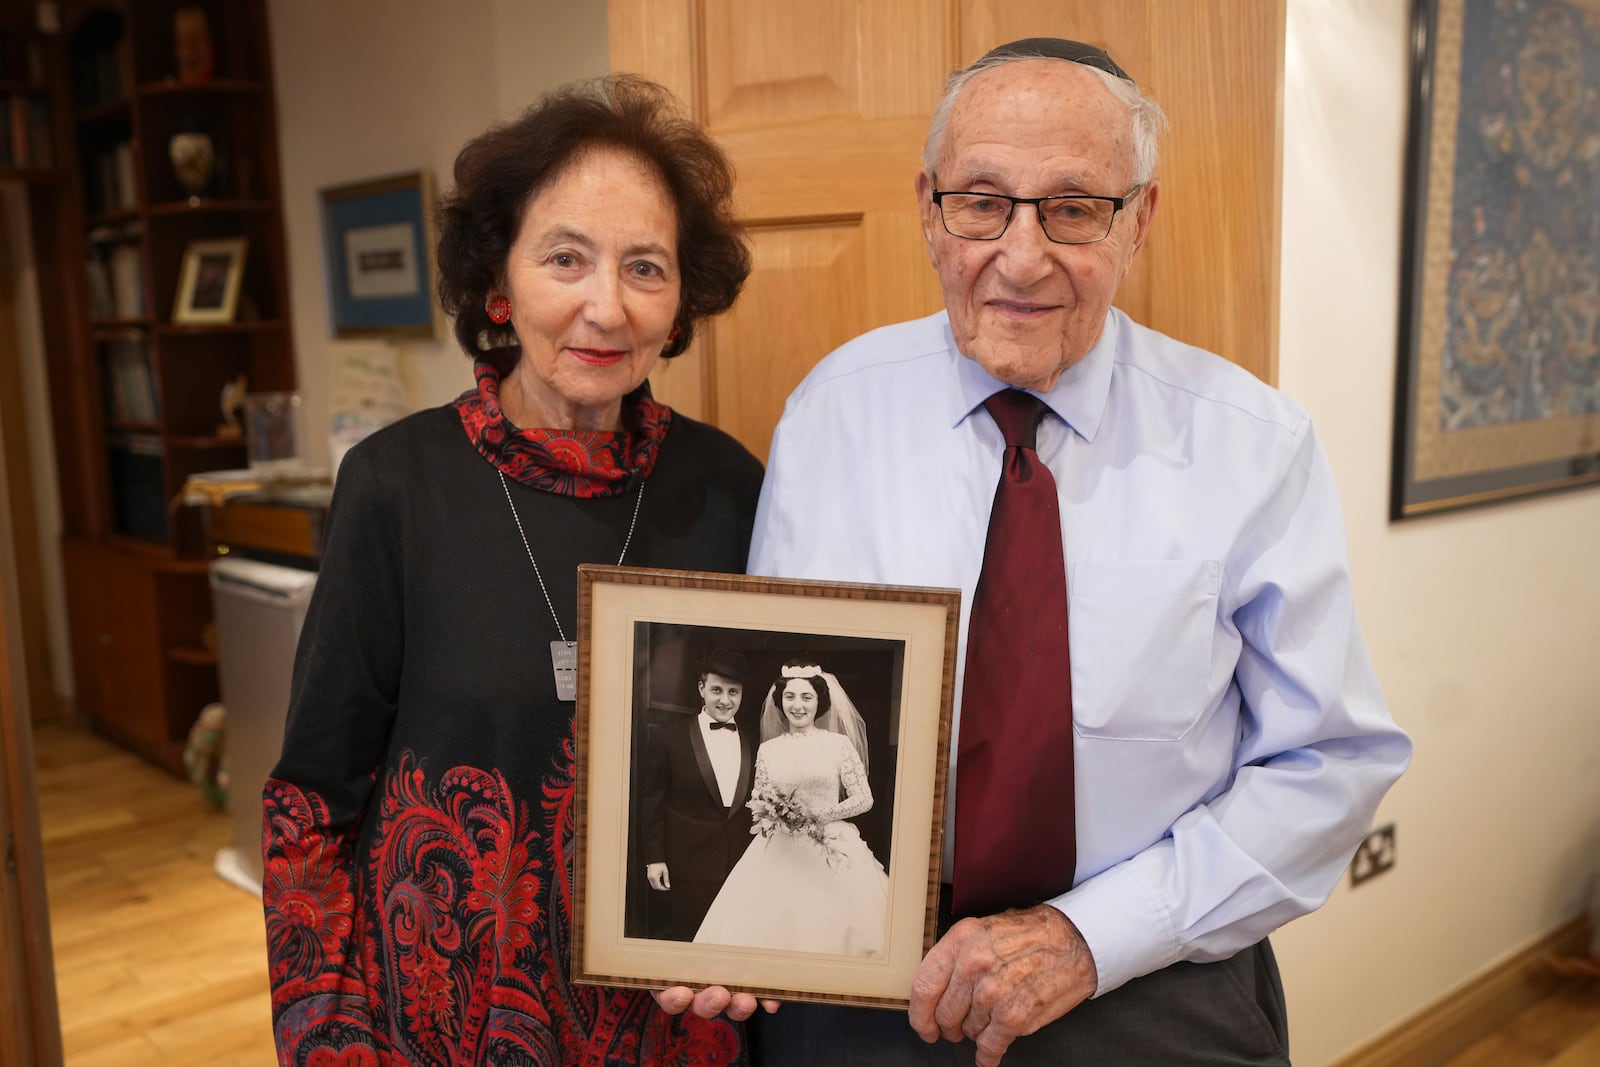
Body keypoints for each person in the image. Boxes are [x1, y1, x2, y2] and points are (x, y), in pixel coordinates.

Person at [746, 38, 1413, 1066]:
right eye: (982, 201)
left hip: (1149, 969)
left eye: (1072, 207)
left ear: (1137, 218)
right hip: (866, 974)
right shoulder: (829, 414)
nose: (1020, 256)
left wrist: (1089, 936)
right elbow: (765, 680)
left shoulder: (1250, 442)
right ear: (930, 210)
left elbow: (1329, 758)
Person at [260, 76, 769, 1065]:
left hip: (676, 1029)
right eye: (565, 258)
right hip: (443, 1031)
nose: (604, 305)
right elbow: (310, 804)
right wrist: (328, 1039)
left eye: (646, 267)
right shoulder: (396, 485)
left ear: (680, 303)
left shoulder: (730, 488)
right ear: (500, 284)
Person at [694, 663, 889, 956]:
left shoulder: (838, 744)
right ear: (781, 701)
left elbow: (864, 798)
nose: (797, 705)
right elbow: (758, 800)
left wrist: (819, 816)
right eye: (790, 697)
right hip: (779, 846)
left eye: (806, 697)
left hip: (831, 845)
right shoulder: (768, 749)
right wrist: (773, 812)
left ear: (819, 702)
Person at [638, 647, 758, 941]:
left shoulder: (754, 740)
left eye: (734, 692)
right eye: (717, 690)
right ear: (701, 688)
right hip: (687, 865)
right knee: (689, 942)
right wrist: (655, 858)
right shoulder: (670, 736)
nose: (725, 700)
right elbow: (653, 800)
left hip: (740, 866)